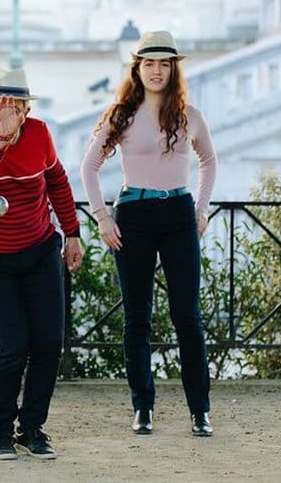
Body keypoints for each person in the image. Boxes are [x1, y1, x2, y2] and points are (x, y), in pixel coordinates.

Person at [80, 30, 218, 437]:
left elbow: (209, 161)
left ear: (173, 69)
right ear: (137, 68)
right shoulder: (121, 114)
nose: (156, 71)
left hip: (178, 213)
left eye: (164, 64)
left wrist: (202, 208)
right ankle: (143, 407)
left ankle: (200, 411)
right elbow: (89, 167)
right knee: (137, 318)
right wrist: (102, 217)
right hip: (134, 215)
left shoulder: (190, 115)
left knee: (187, 316)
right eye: (149, 63)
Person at [0, 68, 83, 460]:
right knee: (14, 345)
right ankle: (1, 432)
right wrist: (0, 140)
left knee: (48, 343)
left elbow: (57, 181)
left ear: (26, 110)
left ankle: (32, 429)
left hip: (39, 250)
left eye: (14, 106)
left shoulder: (40, 134)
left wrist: (72, 232)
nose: (5, 113)